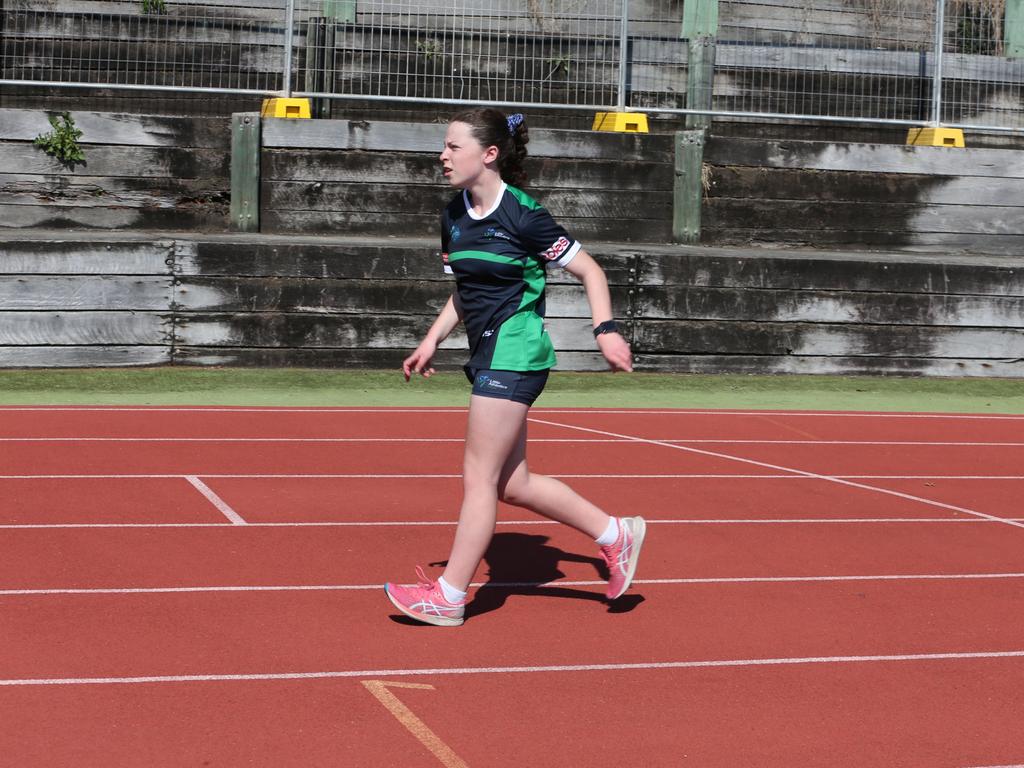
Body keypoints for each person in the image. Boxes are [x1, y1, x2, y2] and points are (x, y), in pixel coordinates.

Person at [384, 107, 646, 627]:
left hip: (517, 351)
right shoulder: (453, 215)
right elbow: (466, 289)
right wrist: (432, 339)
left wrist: (606, 329)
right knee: (512, 484)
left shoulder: (524, 216)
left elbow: (590, 270)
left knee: (477, 478)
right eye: (444, 145)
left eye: (453, 147)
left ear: (489, 154)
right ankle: (616, 534)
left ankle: (449, 595)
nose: (442, 155)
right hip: (487, 351)